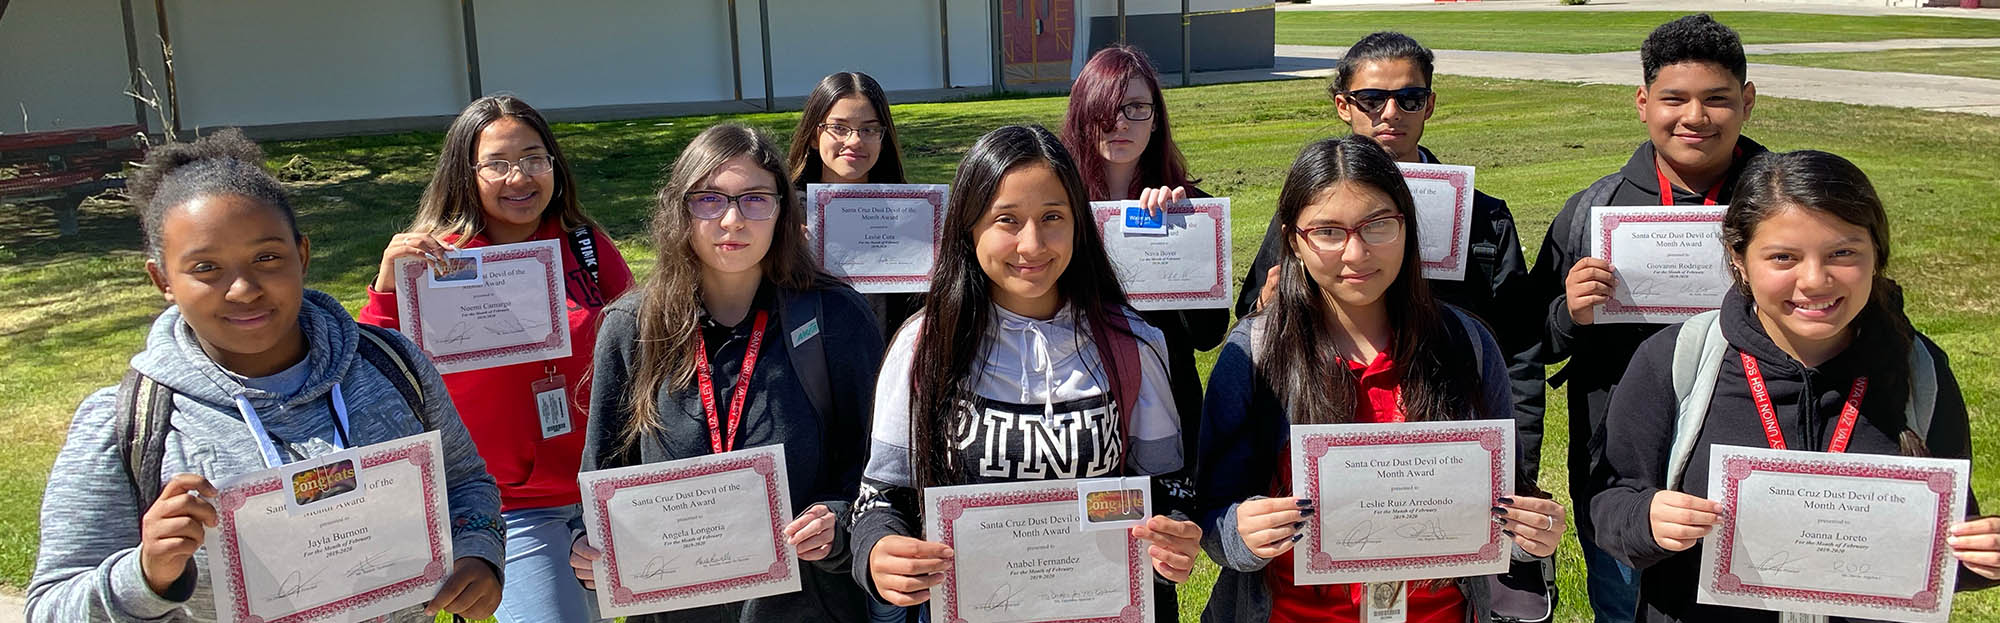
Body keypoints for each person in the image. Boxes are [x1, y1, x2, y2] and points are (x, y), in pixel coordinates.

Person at [26, 130, 505, 622]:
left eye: (267, 258)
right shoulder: (129, 422)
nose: (243, 289)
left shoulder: (391, 364)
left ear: (302, 255)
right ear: (163, 281)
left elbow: (466, 483)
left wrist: (479, 552)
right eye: (206, 268)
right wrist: (146, 576)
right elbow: (49, 609)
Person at [1590, 150, 2000, 622]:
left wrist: (1981, 556)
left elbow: (1953, 534)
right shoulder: (1678, 359)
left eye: (1842, 253)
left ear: (1877, 256)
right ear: (1738, 259)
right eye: (1783, 257)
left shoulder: (1918, 368)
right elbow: (1610, 501)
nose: (1814, 281)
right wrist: (1647, 520)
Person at [1198, 134, 1564, 623]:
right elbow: (1212, 509)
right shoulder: (1255, 354)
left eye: (1378, 226)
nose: (1356, 254)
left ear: (1407, 227)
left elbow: (1503, 498)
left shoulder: (1468, 344)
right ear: (1293, 241)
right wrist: (1239, 535)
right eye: (1328, 231)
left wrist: (1531, 533)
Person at [850, 125, 1203, 621]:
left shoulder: (1133, 345)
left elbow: (1168, 487)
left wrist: (1175, 535)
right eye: (1007, 220)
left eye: (1052, 217)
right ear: (969, 227)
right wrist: (878, 549)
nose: (1032, 244)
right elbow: (881, 498)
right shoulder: (923, 348)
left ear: (1079, 223)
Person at [569, 123, 881, 621]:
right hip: (676, 607)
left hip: (805, 607)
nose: (732, 220)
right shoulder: (632, 329)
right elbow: (603, 478)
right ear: (680, 211)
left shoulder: (835, 319)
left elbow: (871, 471)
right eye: (709, 199)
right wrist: (590, 545)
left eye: (755, 199)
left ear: (782, 210)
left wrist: (838, 520)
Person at [1523, 15, 1767, 621]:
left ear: (1748, 101)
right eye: (1674, 99)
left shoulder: (1789, 205)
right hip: (1621, 450)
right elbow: (1529, 338)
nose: (1695, 117)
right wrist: (1567, 313)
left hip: (1752, 438)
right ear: (1642, 103)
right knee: (1621, 596)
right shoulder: (1595, 208)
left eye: (1717, 99)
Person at [357, 94, 633, 623]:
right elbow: (378, 377)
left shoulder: (586, 244)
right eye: (498, 164)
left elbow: (637, 342)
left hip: (603, 488)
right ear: (467, 172)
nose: (520, 178)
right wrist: (389, 290)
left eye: (534, 159)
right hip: (514, 506)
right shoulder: (434, 262)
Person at [1233, 31, 1547, 489]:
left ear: (1431, 104)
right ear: (1344, 106)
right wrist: (1268, 304)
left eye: (1410, 97)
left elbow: (1519, 347)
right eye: (1372, 99)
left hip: (1447, 419)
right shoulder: (1308, 210)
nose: (1391, 113)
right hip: (1334, 418)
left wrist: (1518, 467)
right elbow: (1253, 325)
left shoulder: (1483, 215)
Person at [1059, 48, 1231, 550]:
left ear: (1156, 119)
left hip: (1161, 407)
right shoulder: (1056, 206)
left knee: (1153, 549)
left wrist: (1177, 239)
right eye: (1106, 108)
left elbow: (1207, 336)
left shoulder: (1187, 206)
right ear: (1083, 115)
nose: (1121, 122)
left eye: (1137, 107)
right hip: (1079, 404)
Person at [786, 71, 921, 341]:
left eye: (869, 129)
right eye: (839, 127)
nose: (854, 140)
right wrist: (785, 255)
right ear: (814, 136)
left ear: (883, 138)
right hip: (806, 360)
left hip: (886, 357)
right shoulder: (783, 213)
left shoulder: (913, 213)